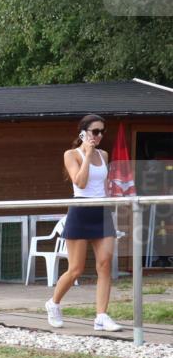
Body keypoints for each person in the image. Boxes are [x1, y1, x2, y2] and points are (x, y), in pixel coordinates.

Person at [45, 114, 122, 332]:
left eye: (102, 132)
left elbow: (104, 186)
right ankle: (53, 303)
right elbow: (80, 182)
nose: (99, 136)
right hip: (80, 210)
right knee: (76, 269)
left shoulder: (104, 155)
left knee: (105, 265)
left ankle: (101, 316)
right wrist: (87, 154)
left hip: (101, 211)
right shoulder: (71, 154)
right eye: (95, 131)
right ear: (83, 133)